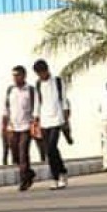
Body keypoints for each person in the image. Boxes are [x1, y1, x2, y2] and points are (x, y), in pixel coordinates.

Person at [32, 59, 70, 190]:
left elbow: (64, 100)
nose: (41, 75)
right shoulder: (38, 84)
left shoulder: (58, 81)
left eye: (42, 72)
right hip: (44, 120)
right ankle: (61, 172)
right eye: (39, 73)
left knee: (52, 147)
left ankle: (56, 177)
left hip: (57, 119)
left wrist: (66, 117)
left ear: (47, 69)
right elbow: (37, 102)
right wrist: (35, 119)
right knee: (50, 150)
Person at [3, 66, 36, 191]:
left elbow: (36, 108)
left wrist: (34, 123)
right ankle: (29, 173)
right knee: (15, 155)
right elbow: (6, 108)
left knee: (23, 154)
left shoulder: (31, 91)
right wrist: (4, 125)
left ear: (24, 76)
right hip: (13, 127)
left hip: (26, 126)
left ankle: (23, 180)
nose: (15, 78)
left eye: (18, 75)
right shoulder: (10, 90)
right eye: (14, 75)